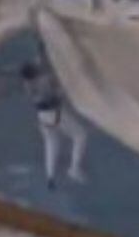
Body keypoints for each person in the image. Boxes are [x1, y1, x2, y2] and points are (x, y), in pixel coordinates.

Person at [19, 59, 88, 188]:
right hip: (54, 113)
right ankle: (74, 169)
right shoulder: (44, 81)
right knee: (80, 135)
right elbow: (56, 92)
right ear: (34, 72)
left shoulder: (28, 85)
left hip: (42, 116)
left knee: (51, 143)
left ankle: (50, 176)